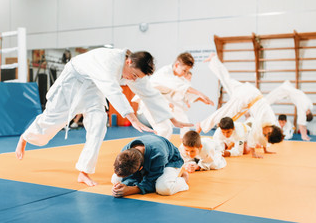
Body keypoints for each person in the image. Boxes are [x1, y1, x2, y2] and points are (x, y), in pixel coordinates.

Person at [15, 48, 192, 187]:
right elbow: (113, 91)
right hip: (74, 80)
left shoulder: (132, 67)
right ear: (128, 62)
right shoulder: (109, 62)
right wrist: (133, 119)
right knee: (54, 118)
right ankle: (26, 137)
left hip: (94, 87)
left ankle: (83, 172)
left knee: (99, 124)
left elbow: (150, 93)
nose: (133, 79)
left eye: (137, 77)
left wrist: (171, 118)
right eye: (134, 75)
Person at [196, 55, 283, 158]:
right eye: (265, 134)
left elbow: (263, 136)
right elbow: (254, 135)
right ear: (270, 131)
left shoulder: (271, 122)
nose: (263, 134)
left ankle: (214, 60)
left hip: (250, 91)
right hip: (247, 98)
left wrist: (265, 149)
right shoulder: (262, 121)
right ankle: (202, 125)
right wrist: (254, 153)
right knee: (226, 114)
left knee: (227, 80)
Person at [133, 52, 214, 140]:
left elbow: (187, 92)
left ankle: (182, 142)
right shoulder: (165, 73)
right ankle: (157, 150)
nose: (185, 74)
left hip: (161, 102)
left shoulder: (179, 77)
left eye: (187, 71)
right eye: (184, 70)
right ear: (176, 65)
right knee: (164, 129)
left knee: (173, 126)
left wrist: (203, 99)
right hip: (148, 101)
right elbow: (181, 86)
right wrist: (200, 93)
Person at [111, 135, 189, 197]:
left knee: (163, 188)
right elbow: (129, 176)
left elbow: (150, 181)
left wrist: (131, 190)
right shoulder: (125, 150)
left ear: (141, 168)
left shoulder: (158, 155)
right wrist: (123, 185)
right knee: (115, 179)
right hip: (147, 159)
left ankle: (183, 180)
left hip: (170, 160)